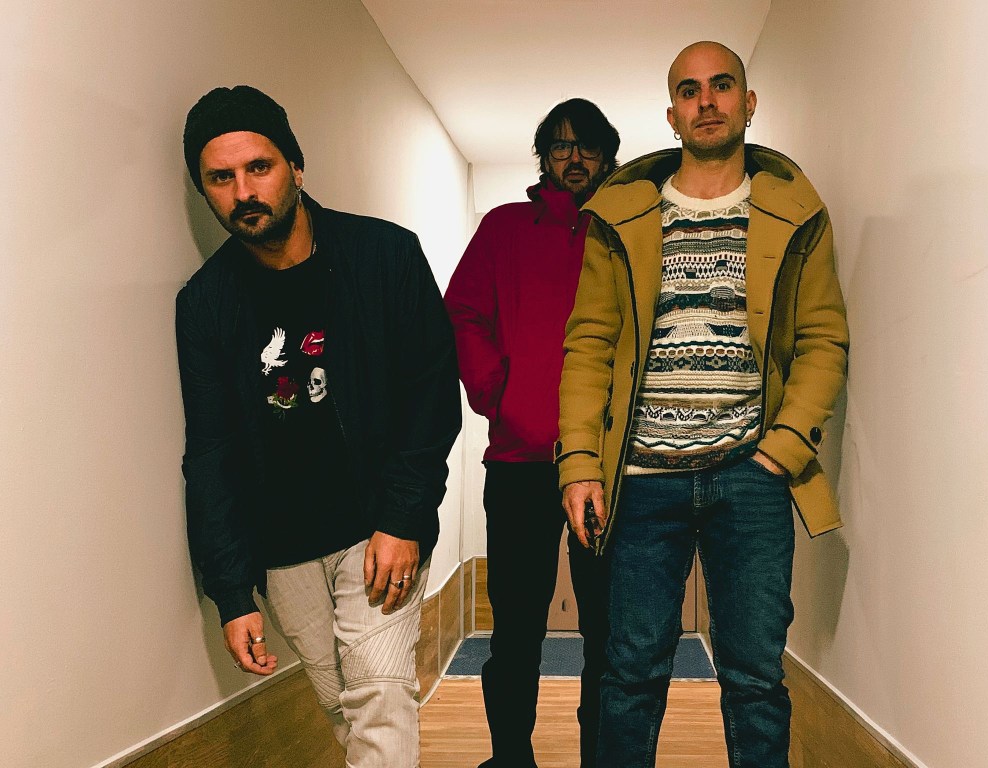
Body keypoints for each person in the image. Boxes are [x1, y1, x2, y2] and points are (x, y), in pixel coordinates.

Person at [557, 43, 849, 768]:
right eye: (689, 91)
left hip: (751, 478)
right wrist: (580, 463)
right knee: (630, 674)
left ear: (748, 103)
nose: (706, 101)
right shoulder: (622, 214)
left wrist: (781, 450)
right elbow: (588, 343)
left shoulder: (795, 211)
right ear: (672, 114)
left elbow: (822, 338)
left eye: (722, 86)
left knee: (755, 678)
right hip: (641, 481)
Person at [175, 85, 461, 768]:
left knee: (379, 700)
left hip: (376, 528)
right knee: (347, 709)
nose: (244, 192)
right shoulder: (205, 304)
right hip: (283, 551)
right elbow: (210, 452)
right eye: (220, 178)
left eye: (259, 167)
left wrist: (403, 516)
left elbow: (430, 394)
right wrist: (232, 594)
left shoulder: (384, 256)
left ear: (296, 167)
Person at [444, 98, 620, 768]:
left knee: (608, 633)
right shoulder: (504, 227)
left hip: (606, 465)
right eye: (561, 145)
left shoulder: (625, 230)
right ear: (544, 155)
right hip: (520, 461)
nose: (574, 158)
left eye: (587, 146)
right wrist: (498, 395)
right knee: (516, 631)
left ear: (606, 156)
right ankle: (510, 757)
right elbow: (462, 311)